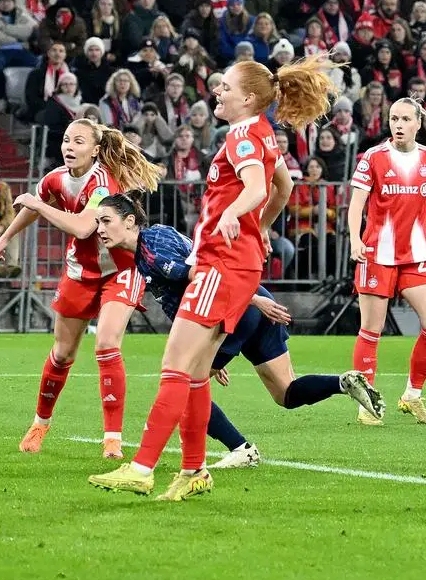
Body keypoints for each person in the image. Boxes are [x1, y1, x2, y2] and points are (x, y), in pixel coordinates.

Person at [89, 54, 338, 501]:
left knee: (174, 367)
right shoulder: (264, 133)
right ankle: (193, 471)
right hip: (236, 265)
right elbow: (283, 186)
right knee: (198, 374)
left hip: (220, 265)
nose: (216, 91)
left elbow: (258, 189)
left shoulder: (242, 134)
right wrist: (259, 228)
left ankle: (142, 468)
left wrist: (237, 216)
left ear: (246, 98)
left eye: (224, 86)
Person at [94, 194, 384, 469]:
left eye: (106, 221)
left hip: (239, 306)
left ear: (130, 221)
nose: (100, 229)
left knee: (182, 387)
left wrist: (251, 302)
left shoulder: (152, 249)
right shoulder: (155, 240)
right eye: (97, 222)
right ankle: (343, 383)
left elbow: (205, 276)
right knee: (287, 393)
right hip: (244, 305)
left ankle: (238, 449)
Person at [0, 118, 163, 458]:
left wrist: (39, 205)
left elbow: (84, 228)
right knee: (62, 353)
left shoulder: (102, 183)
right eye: (67, 140)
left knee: (107, 344)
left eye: (79, 142)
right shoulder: (55, 178)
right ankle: (40, 423)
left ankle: (112, 438)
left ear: (96, 150)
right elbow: (32, 207)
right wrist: (6, 237)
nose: (69, 146)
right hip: (80, 271)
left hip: (121, 269)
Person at [347, 98, 426, 426]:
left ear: (418, 123)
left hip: (416, 256)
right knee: (371, 330)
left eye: (405, 119)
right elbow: (356, 205)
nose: (398, 124)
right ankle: (366, 405)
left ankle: (412, 395)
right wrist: (355, 238)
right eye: (394, 118)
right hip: (376, 254)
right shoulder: (373, 158)